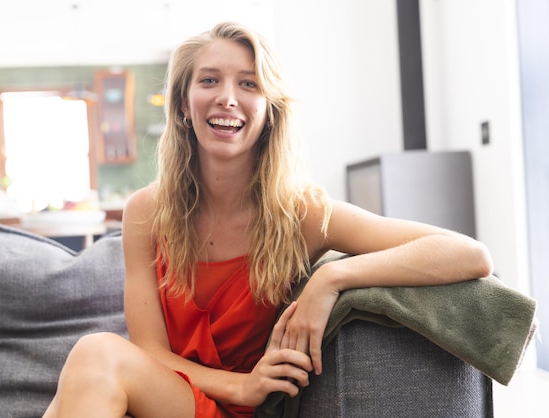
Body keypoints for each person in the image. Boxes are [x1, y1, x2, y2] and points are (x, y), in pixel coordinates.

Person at [43, 21, 493, 418]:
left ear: (269, 110)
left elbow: (469, 255)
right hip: (173, 396)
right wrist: (241, 383)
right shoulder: (147, 210)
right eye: (209, 80)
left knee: (95, 353)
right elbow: (150, 353)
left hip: (233, 414)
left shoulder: (302, 214)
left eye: (249, 84)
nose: (227, 98)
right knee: (86, 376)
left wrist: (332, 277)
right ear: (183, 103)